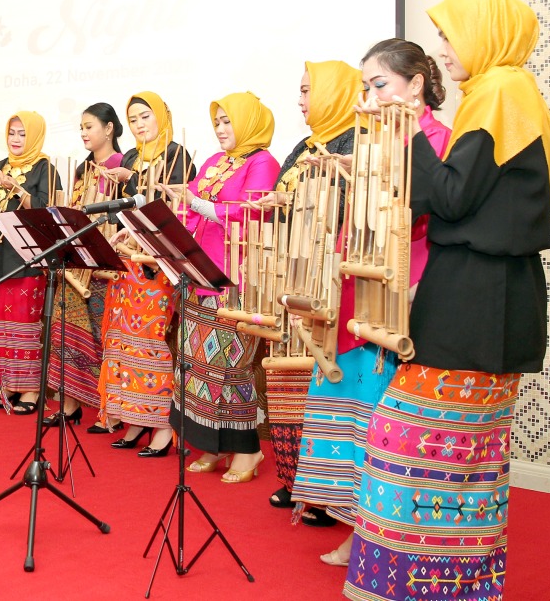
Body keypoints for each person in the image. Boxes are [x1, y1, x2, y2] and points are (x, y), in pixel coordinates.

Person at [344, 0, 550, 601]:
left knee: (416, 442)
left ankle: (436, 583)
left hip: (481, 298)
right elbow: (449, 201)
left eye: (448, 33)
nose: (442, 49)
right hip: (475, 292)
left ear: (484, 32)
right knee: (453, 455)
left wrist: (409, 131)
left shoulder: (499, 93)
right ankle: (445, 584)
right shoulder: (498, 94)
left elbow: (450, 196)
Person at [292, 39, 451, 567]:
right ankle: (358, 528)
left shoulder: (437, 139)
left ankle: (389, 535)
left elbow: (426, 213)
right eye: (366, 87)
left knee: (386, 421)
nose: (370, 97)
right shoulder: (371, 138)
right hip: (355, 282)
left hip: (402, 286)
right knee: (349, 411)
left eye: (380, 85)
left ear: (416, 85)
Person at [252, 61, 363, 516]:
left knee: (318, 381)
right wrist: (279, 201)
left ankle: (324, 491)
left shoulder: (355, 141)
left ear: (334, 93)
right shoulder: (304, 145)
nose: (300, 102)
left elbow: (351, 208)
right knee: (285, 380)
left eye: (307, 92)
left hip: (328, 275)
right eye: (299, 93)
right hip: (289, 270)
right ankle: (295, 478)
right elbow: (287, 195)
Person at [167, 92, 279, 476]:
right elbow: (191, 205)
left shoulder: (263, 162)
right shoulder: (216, 162)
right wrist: (176, 206)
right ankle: (211, 444)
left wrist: (198, 204)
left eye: (228, 121)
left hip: (236, 278)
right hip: (198, 273)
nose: (220, 129)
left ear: (248, 122)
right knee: (197, 364)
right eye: (217, 122)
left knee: (231, 367)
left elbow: (254, 215)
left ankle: (248, 450)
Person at [98, 91, 194, 455]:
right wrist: (123, 227)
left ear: (161, 116)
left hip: (159, 264)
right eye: (133, 119)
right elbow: (132, 209)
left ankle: (162, 426)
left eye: (145, 117)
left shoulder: (177, 155)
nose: (139, 125)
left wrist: (135, 180)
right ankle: (135, 418)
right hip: (129, 262)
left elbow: (174, 210)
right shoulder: (135, 156)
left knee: (151, 343)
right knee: (124, 342)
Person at [45, 103, 125, 424]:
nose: (83, 133)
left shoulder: (123, 165)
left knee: (102, 335)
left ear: (109, 129)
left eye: (89, 126)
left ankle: (110, 411)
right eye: (81, 127)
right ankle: (70, 405)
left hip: (105, 262)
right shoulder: (82, 169)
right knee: (66, 331)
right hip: (77, 259)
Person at [0, 111, 59, 415]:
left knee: (24, 326)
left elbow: (48, 212)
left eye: (23, 134)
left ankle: (30, 389)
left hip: (28, 259)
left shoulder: (45, 169)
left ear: (35, 135)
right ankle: (6, 386)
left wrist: (19, 191)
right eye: (12, 132)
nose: (15, 139)